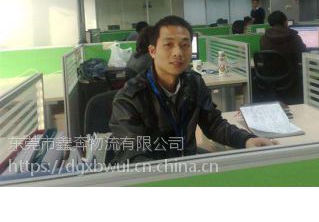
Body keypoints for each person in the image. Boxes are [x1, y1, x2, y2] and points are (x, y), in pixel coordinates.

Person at [109, 15, 277, 164]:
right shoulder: (129, 98)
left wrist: (246, 140)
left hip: (187, 161)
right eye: (168, 45)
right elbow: (134, 157)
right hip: (156, 174)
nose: (178, 52)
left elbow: (214, 125)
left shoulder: (193, 83)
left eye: (185, 45)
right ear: (152, 51)